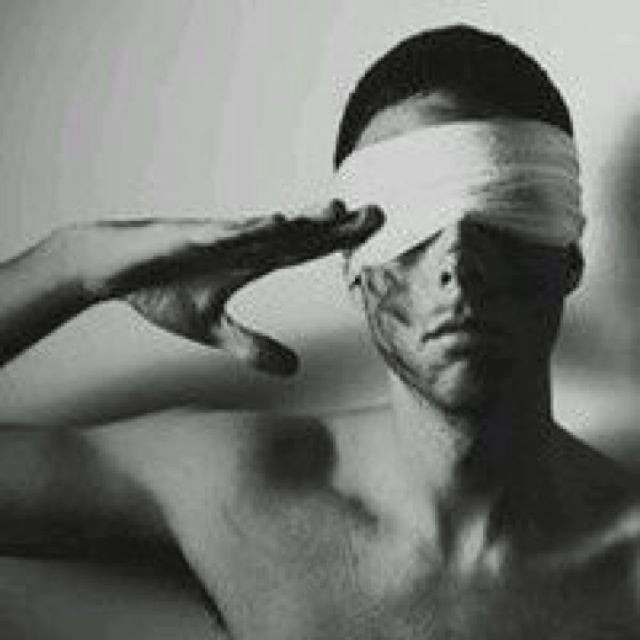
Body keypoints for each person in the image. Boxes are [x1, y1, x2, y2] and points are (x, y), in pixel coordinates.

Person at [1, 23, 639, 639]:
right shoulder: (238, 490)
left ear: (569, 260)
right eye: (411, 223)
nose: (458, 264)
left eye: (506, 212)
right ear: (353, 267)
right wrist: (74, 264)